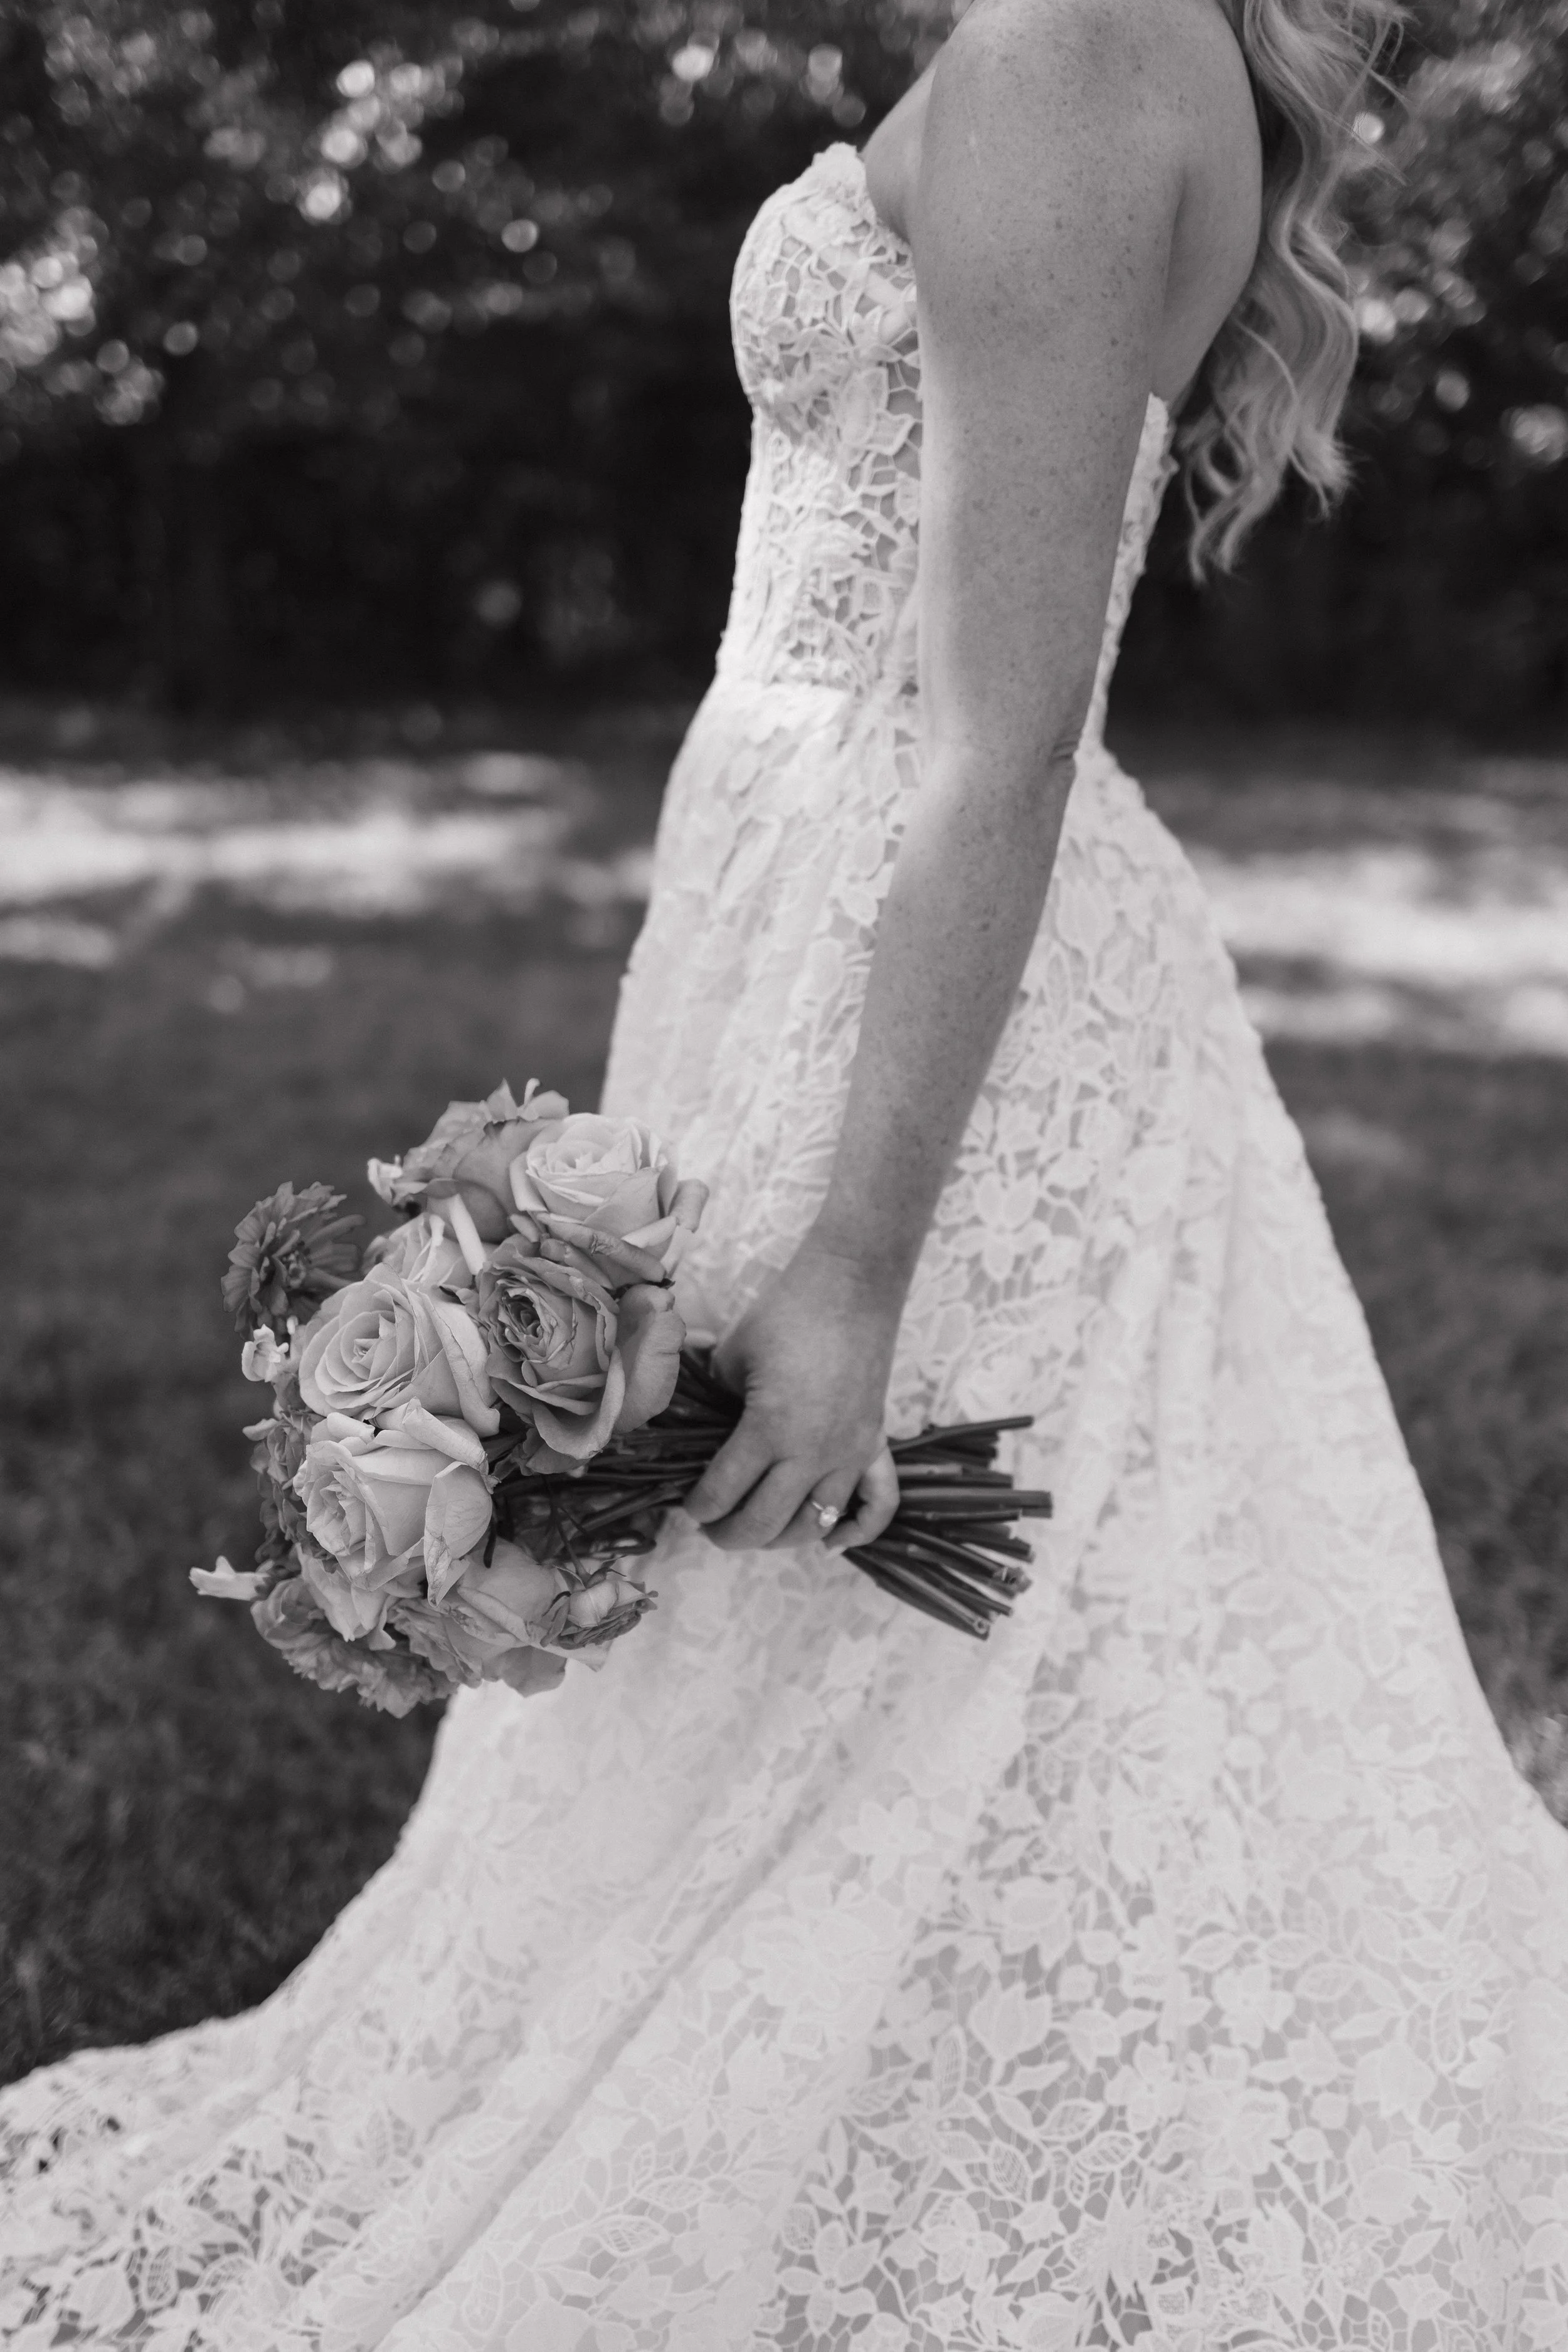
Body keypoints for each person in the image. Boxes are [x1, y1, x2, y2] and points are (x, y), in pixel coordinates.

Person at [5, 0, 1568, 2343]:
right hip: (793, 904)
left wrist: (854, 1258)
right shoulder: (1123, 44)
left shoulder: (1079, 54)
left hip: (897, 967)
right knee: (854, 1647)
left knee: (851, 1595)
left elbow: (1000, 734)